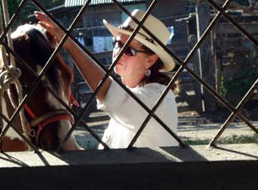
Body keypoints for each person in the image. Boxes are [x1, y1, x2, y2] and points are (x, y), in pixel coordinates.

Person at [36, 9, 179, 149]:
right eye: (117, 43)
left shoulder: (160, 98)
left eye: (129, 49)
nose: (118, 51)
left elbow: (111, 95)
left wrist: (69, 45)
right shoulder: (132, 96)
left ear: (151, 60)